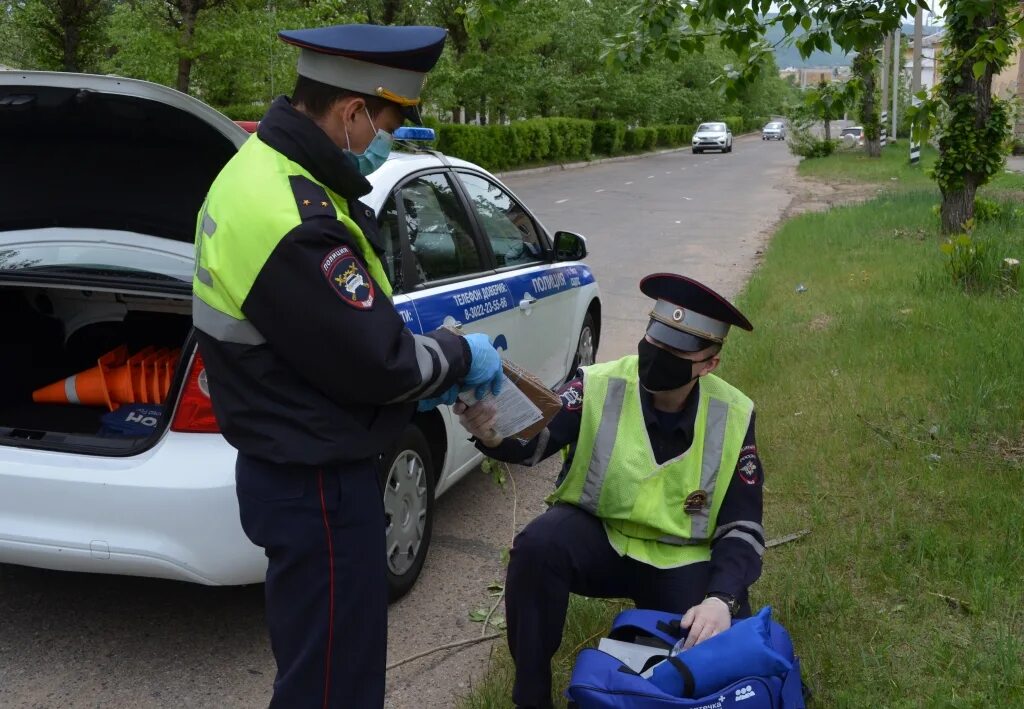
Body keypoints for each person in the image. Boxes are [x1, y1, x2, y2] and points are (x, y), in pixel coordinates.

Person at [190, 23, 503, 709]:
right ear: (352, 111)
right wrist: (459, 354)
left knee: (314, 667)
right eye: (386, 123)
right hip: (319, 485)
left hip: (286, 464)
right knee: (334, 684)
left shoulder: (255, 172)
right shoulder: (294, 215)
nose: (383, 141)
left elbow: (328, 332)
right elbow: (379, 364)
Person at [456, 274, 766, 709]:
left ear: (709, 363)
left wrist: (722, 598)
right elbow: (537, 438)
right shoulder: (600, 383)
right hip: (598, 540)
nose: (658, 354)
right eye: (655, 337)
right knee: (536, 547)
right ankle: (530, 696)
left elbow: (742, 525)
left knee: (725, 663)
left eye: (678, 349)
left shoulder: (733, 412)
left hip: (680, 560)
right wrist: (491, 434)